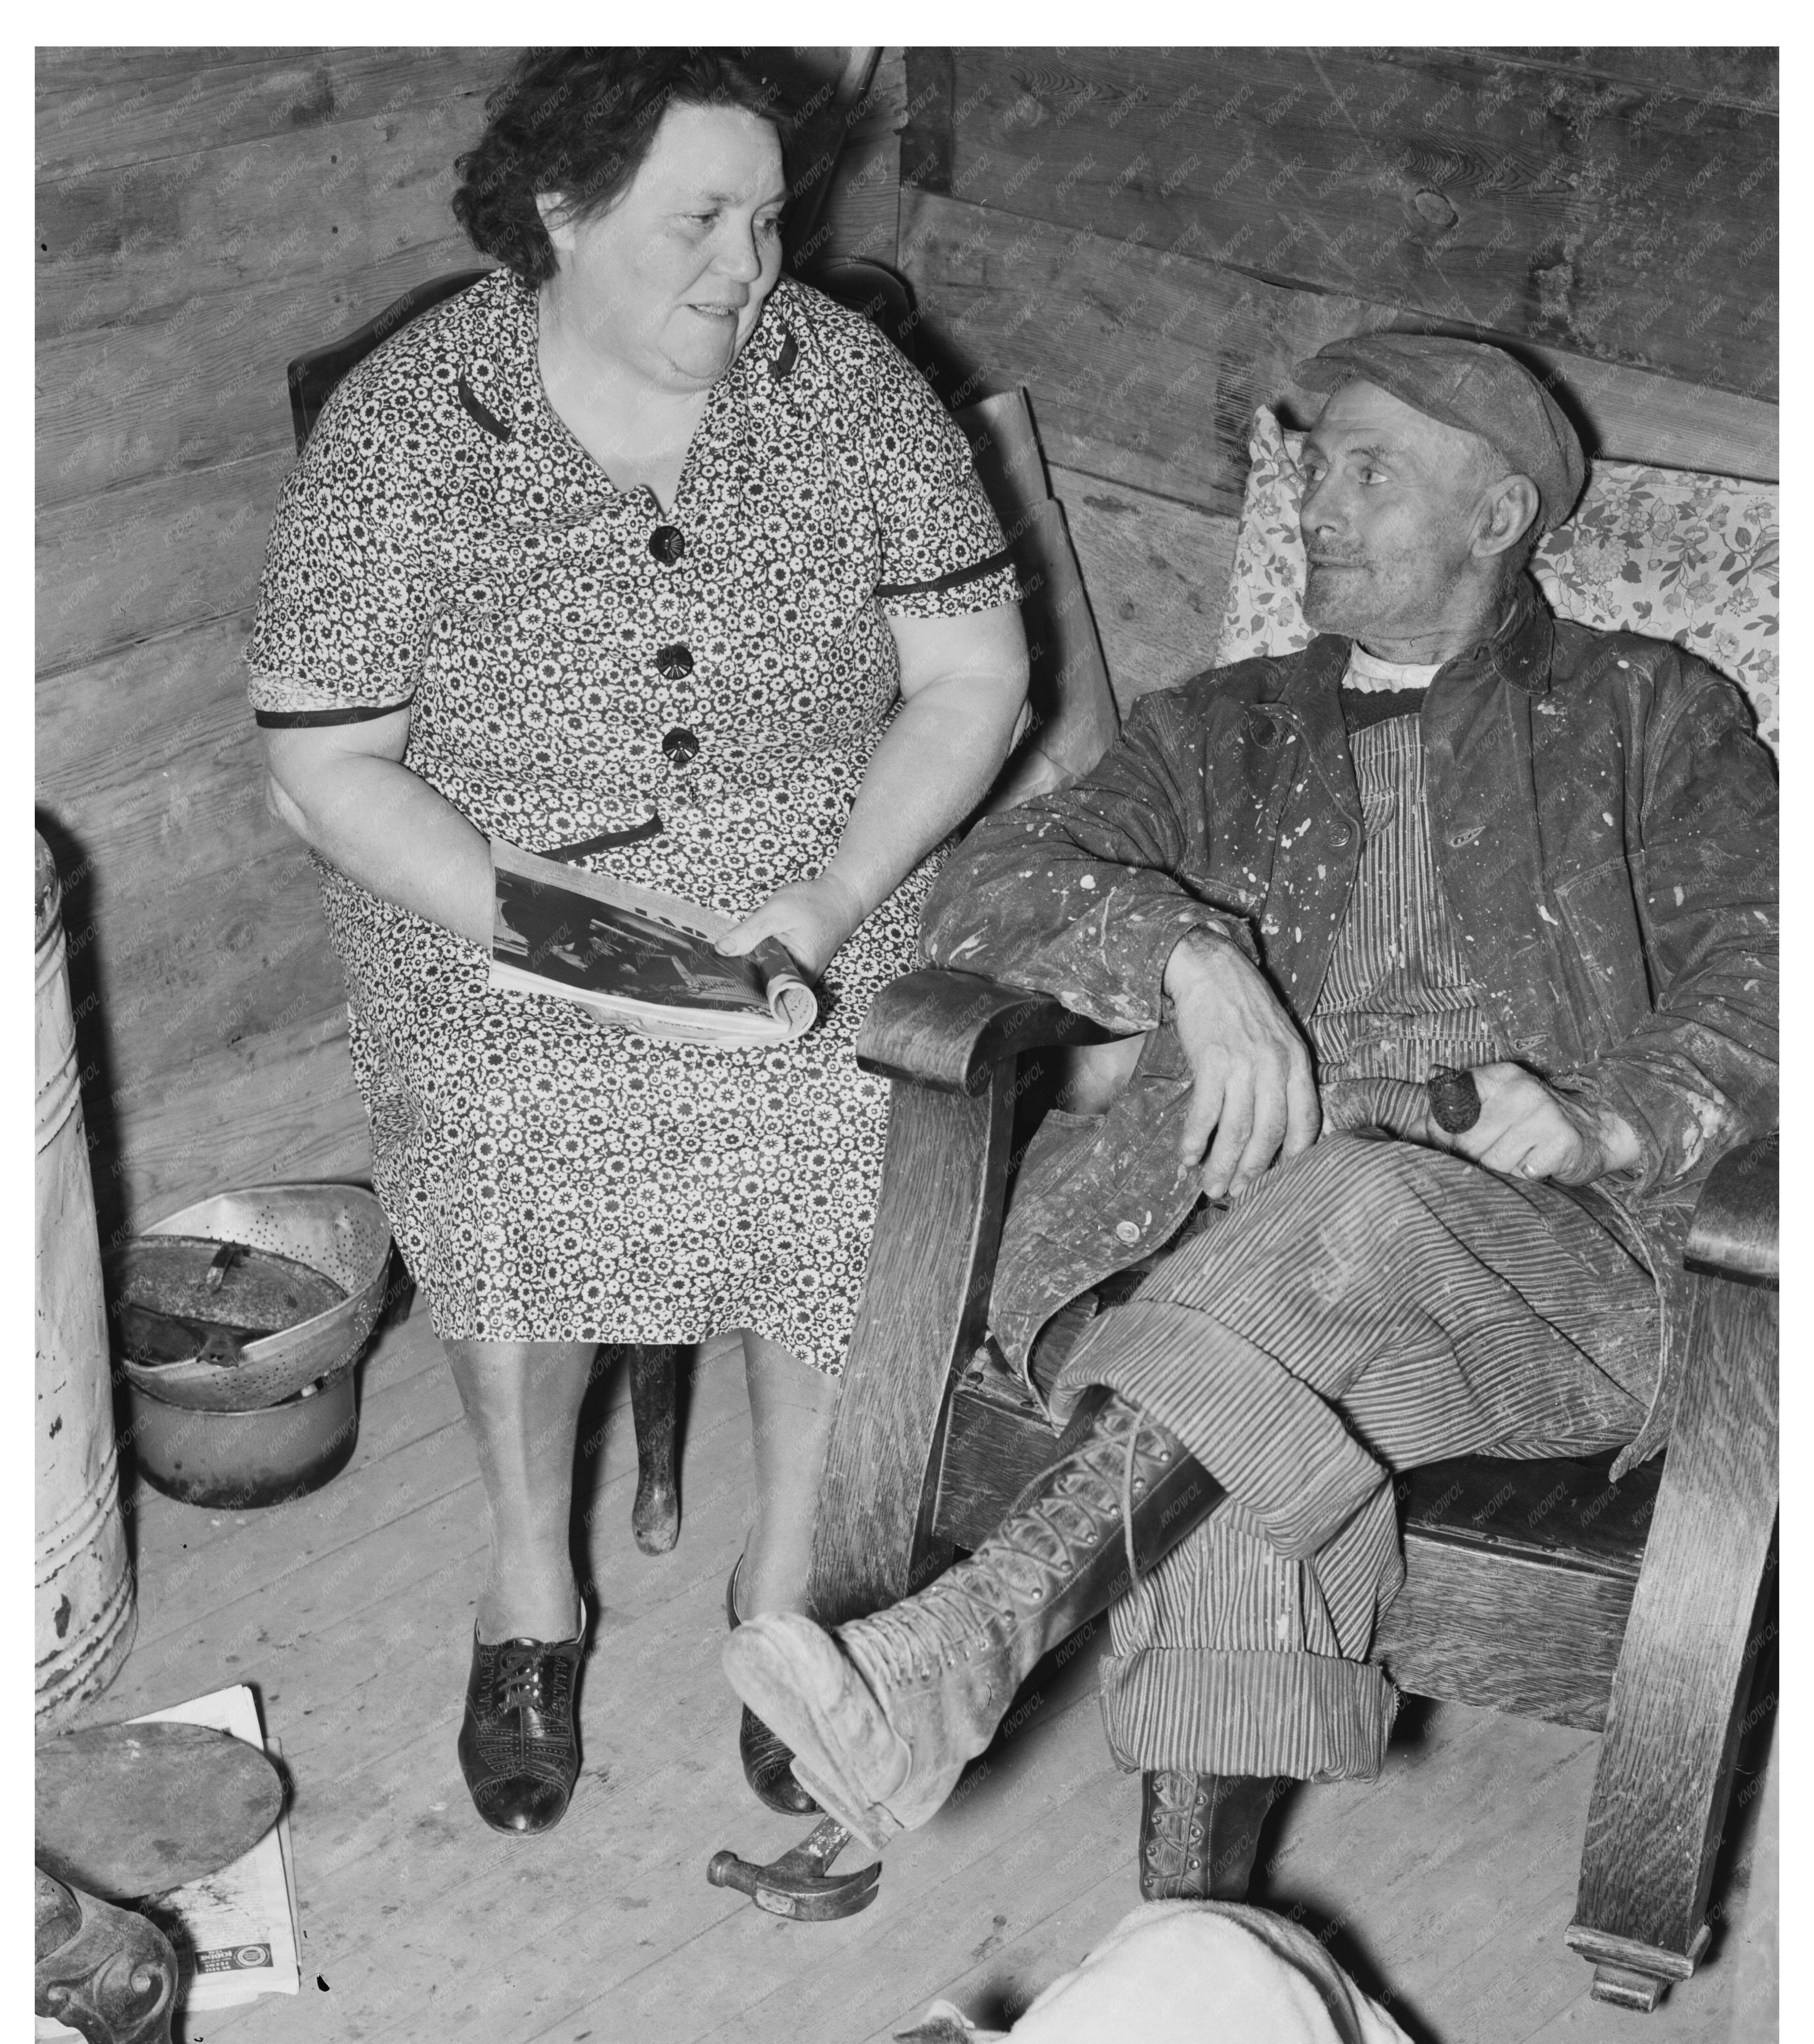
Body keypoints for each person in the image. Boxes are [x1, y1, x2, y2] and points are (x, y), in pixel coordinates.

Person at [724, 331, 1778, 1897]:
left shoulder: (1647, 715)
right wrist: (1185, 955)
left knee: (1340, 1212)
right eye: (1311, 468)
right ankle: (1194, 1927)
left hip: (1549, 1274)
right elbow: (984, 885)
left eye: (1369, 472)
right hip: (1226, 1245)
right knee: (1248, 1416)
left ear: (1496, 519)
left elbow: (1776, 954)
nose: (1315, 508)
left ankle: (975, 1634)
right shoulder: (1216, 728)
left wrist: (1610, 1116)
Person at [247, 49, 1027, 1835]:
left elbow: (974, 679)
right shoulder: (411, 423)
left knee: (841, 1117)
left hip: (812, 870)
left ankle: (789, 1590)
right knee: (512, 1132)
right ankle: (532, 1583)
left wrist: (827, 899)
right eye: (698, 219)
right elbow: (325, 774)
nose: (745, 265)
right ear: (564, 212)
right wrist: (577, 939)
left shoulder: (843, 386)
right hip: (500, 889)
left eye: (765, 220)